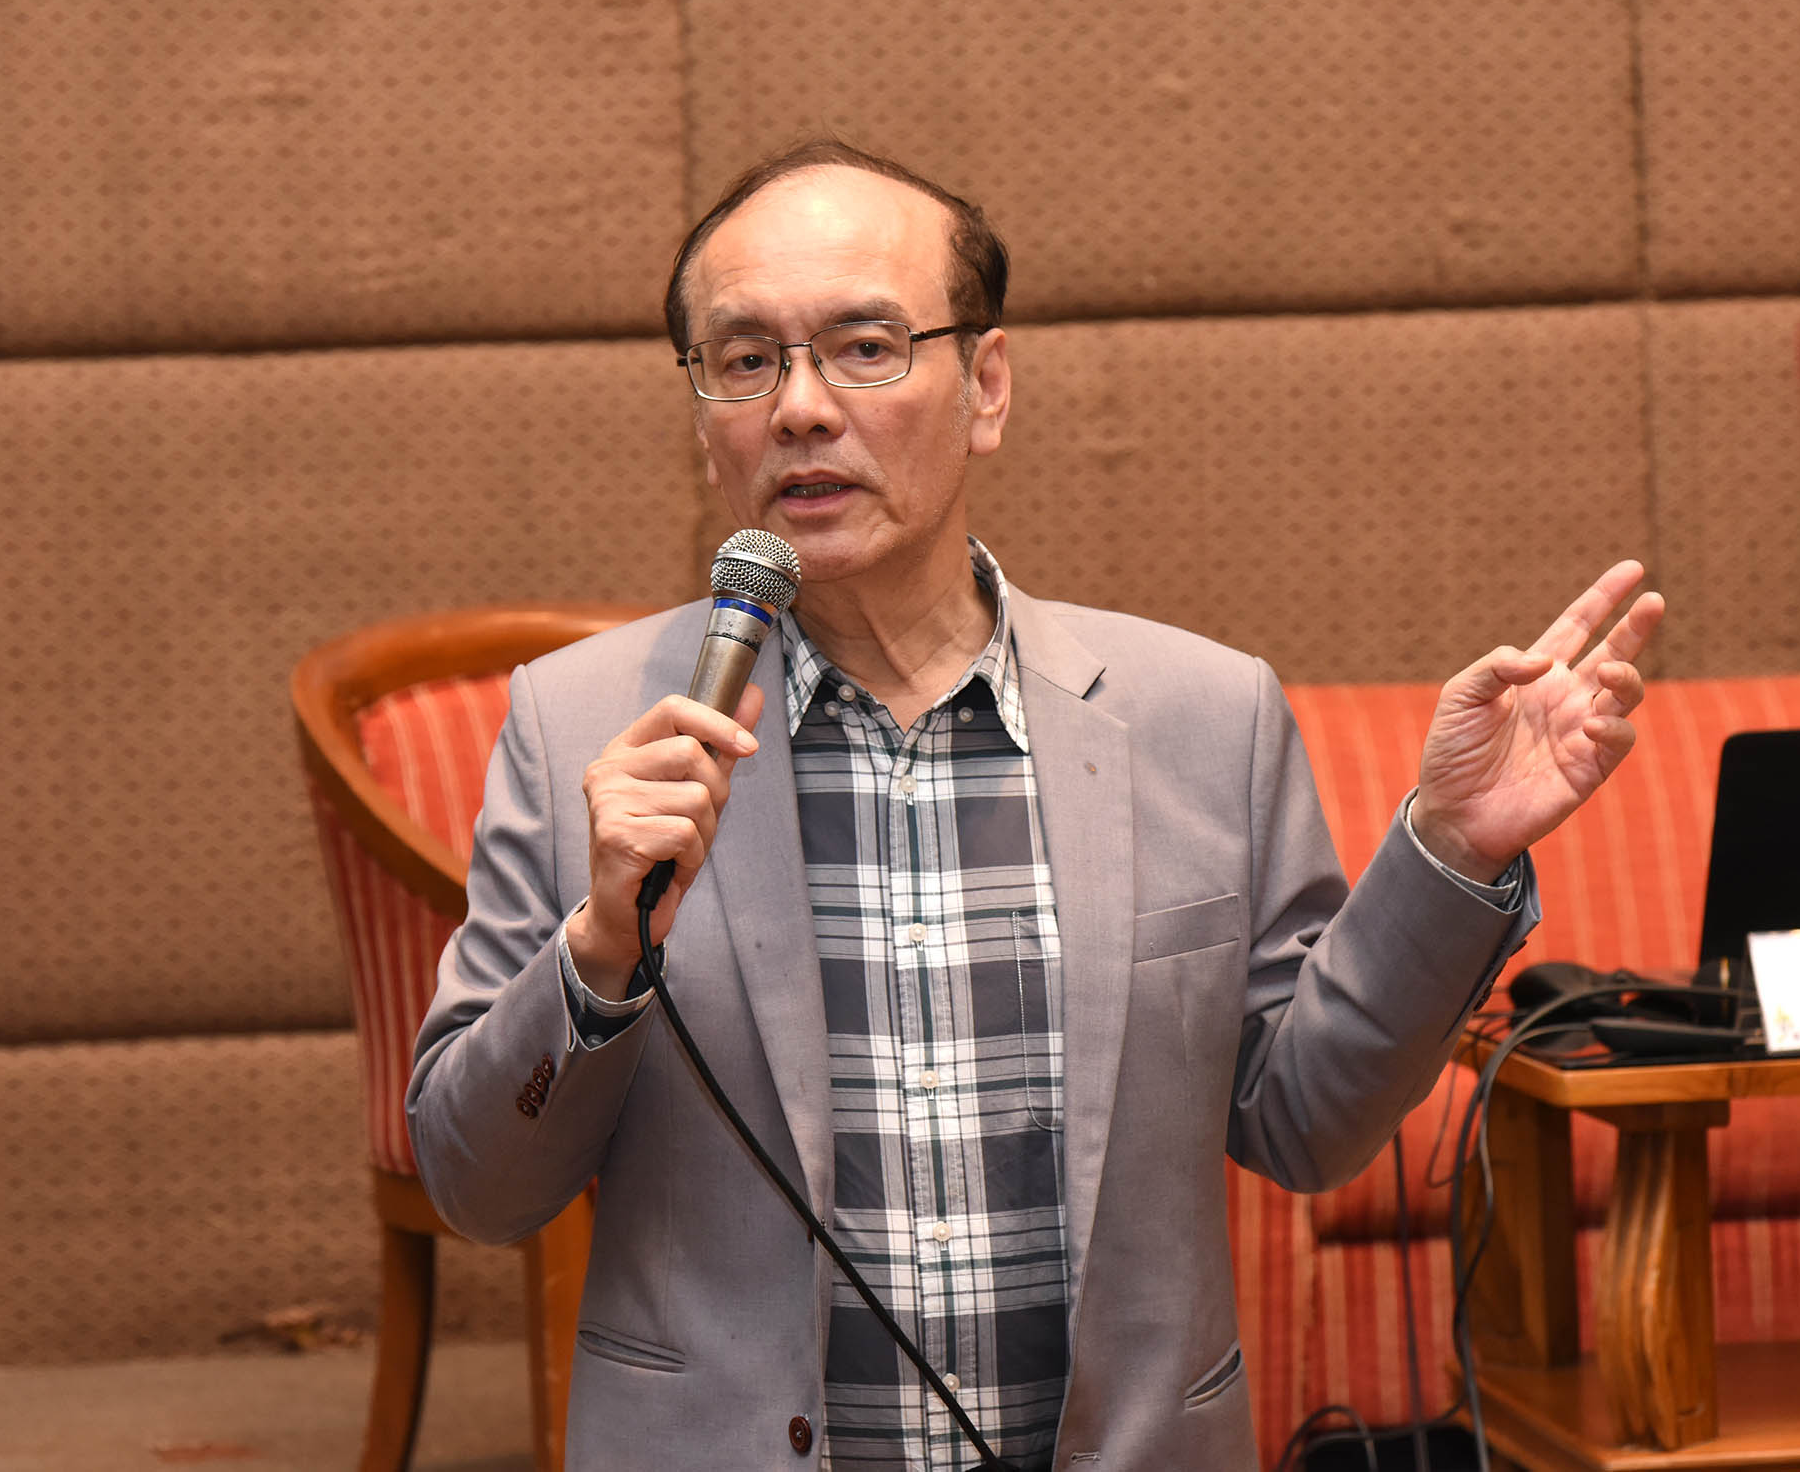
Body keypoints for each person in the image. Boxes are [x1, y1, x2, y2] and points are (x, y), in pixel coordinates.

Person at [408, 141, 1663, 1470]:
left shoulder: (1203, 716)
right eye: (745, 359)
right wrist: (601, 947)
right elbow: (479, 1187)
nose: (801, 408)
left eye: (866, 347)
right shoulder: (581, 727)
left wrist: (1451, 848)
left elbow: (1307, 1121)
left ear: (986, 386)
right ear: (702, 409)